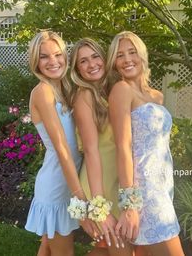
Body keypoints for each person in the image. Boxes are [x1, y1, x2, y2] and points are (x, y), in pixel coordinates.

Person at [106, 31, 185, 256]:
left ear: (142, 55)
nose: (127, 59)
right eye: (120, 55)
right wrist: (129, 205)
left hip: (163, 190)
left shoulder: (157, 96)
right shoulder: (121, 90)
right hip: (144, 193)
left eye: (132, 52)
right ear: (114, 62)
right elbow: (123, 148)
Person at [25, 31, 100, 256]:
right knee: (64, 252)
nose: (53, 61)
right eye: (44, 56)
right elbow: (62, 149)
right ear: (35, 61)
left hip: (69, 182)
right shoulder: (43, 91)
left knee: (48, 246)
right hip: (57, 187)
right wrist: (80, 197)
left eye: (58, 54)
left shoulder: (63, 89)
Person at [70, 38, 134, 256]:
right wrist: (99, 208)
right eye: (83, 62)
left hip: (117, 181)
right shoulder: (84, 96)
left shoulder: (113, 90)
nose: (92, 64)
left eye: (95, 56)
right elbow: (91, 151)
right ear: (77, 70)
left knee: (111, 249)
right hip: (99, 186)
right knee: (120, 250)